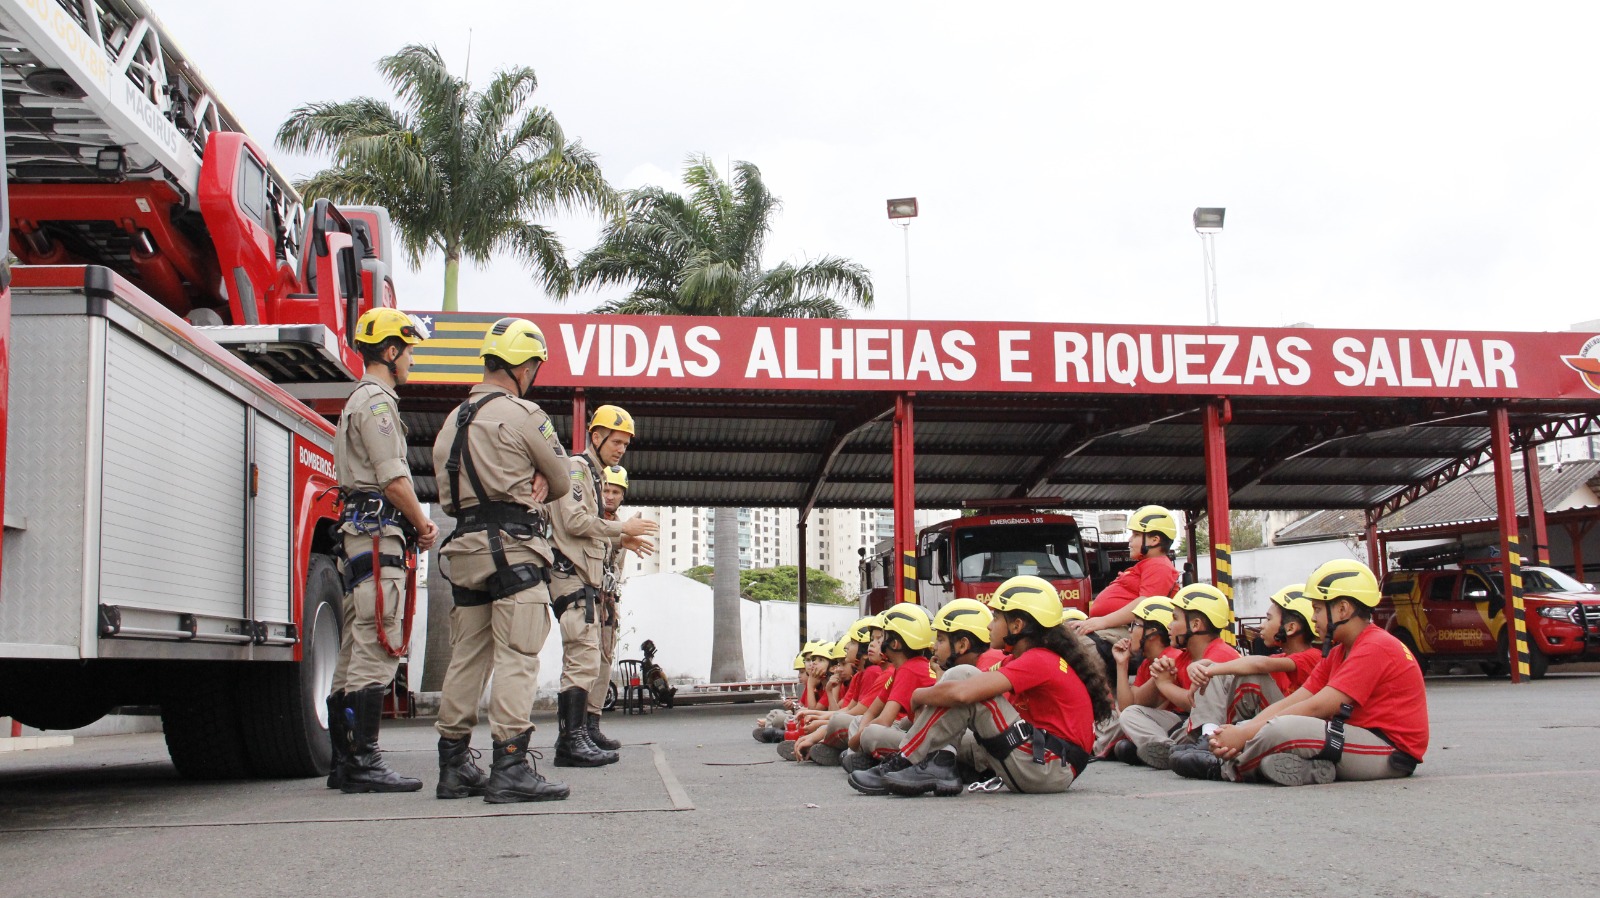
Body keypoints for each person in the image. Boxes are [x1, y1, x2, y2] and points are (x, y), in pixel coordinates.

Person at [431, 317, 573, 803]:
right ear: (523, 365)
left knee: (467, 656)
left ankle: (453, 766)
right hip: (513, 549)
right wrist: (535, 475)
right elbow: (562, 477)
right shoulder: (523, 413)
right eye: (534, 365)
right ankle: (510, 765)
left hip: (465, 550)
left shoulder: (451, 421)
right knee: (518, 654)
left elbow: (448, 499)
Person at [848, 575, 1114, 797]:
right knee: (962, 687)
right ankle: (940, 763)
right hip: (1042, 762)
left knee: (964, 678)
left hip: (1046, 768)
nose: (989, 624)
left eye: (996, 617)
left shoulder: (1039, 660)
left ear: (1017, 625)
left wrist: (918, 695)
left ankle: (906, 761)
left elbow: (964, 690)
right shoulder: (1023, 659)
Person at [328, 308, 438, 793]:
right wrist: (421, 521)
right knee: (377, 644)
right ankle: (363, 761)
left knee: (355, 648)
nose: (411, 359)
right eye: (409, 350)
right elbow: (393, 478)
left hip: (358, 543)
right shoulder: (378, 403)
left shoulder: (357, 401)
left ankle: (344, 763)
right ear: (391, 351)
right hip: (378, 539)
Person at [1194, 559, 1430, 785]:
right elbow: (1298, 698)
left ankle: (1225, 766)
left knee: (1282, 729)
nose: (1313, 617)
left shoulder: (1375, 646)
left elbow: (1318, 707)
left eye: (1317, 609)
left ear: (1343, 609)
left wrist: (1244, 735)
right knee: (1278, 726)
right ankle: (1308, 770)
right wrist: (1243, 730)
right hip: (1354, 738)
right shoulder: (1340, 651)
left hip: (1389, 752)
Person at [548, 405, 659, 768]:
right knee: (581, 658)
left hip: (590, 582)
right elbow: (577, 520)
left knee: (591, 658)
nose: (620, 449)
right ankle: (571, 739)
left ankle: (580, 732)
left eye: (625, 444)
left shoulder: (592, 475)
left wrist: (618, 539)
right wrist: (620, 530)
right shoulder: (579, 468)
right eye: (615, 441)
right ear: (595, 436)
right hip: (574, 578)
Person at [1169, 584, 1325, 778]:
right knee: (1223, 671)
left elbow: (1258, 665)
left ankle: (1215, 742)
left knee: (1249, 675)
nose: (1262, 625)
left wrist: (1211, 670)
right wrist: (1208, 666)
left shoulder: (1312, 656)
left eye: (1268, 619)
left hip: (1292, 727)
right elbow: (1247, 663)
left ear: (1291, 627)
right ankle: (1213, 739)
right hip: (1274, 723)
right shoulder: (1283, 657)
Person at [1121, 583, 1240, 768]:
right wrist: (1157, 677)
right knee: (1130, 714)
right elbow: (1137, 704)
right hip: (1187, 725)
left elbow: (1197, 705)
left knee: (1128, 746)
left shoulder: (1220, 655)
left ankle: (1167, 750)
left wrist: (1165, 684)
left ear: (1195, 624)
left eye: (1175, 618)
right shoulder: (1182, 656)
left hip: (1217, 726)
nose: (1169, 625)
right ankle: (1167, 749)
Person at [585, 464, 654, 753]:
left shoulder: (624, 525)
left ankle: (592, 725)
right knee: (582, 661)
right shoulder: (588, 517)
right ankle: (574, 729)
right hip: (585, 598)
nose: (610, 496)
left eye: (615, 492)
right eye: (605, 490)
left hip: (609, 600)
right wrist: (621, 535)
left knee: (604, 660)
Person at [842, 603, 937, 772]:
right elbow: (871, 711)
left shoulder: (909, 669)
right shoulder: (902, 669)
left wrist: (855, 741)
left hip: (929, 741)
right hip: (922, 732)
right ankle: (862, 757)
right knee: (861, 723)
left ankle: (868, 759)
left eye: (881, 638)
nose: (876, 643)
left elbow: (884, 720)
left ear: (894, 644)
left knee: (872, 734)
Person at [1070, 505, 1180, 648]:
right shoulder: (1148, 565)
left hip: (1128, 630)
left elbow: (1145, 605)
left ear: (1154, 540)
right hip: (1114, 627)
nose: (1129, 539)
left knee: (1077, 648)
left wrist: (1102, 621)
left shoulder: (1160, 565)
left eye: (1136, 535)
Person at [1095, 596, 1187, 762]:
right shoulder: (1147, 663)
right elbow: (1126, 704)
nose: (1130, 631)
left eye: (1135, 625)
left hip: (1182, 724)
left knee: (1128, 717)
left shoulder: (1171, 658)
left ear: (1152, 633)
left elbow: (1132, 706)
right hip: (1164, 722)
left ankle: (1166, 748)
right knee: (1121, 736)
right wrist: (1121, 664)